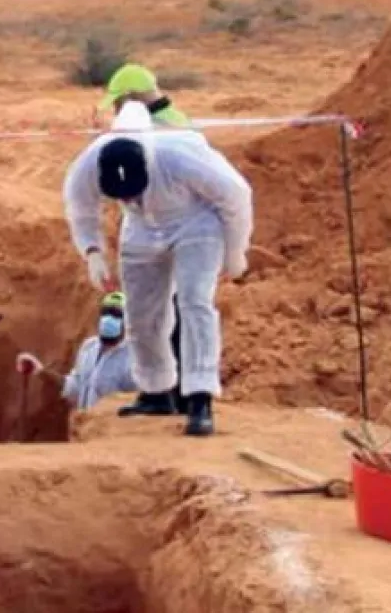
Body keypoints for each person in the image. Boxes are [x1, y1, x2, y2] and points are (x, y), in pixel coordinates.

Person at [62, 100, 253, 437]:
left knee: (194, 303)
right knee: (140, 312)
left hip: (195, 222)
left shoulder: (180, 155)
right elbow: (80, 208)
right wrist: (92, 251)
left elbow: (236, 196)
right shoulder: (89, 163)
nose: (130, 198)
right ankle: (155, 390)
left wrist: (236, 250)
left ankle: (199, 398)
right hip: (139, 227)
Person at [100, 63, 196, 415]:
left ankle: (169, 398)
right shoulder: (178, 120)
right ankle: (175, 396)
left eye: (117, 103)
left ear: (129, 99)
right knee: (171, 315)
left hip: (167, 231)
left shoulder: (157, 128)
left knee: (163, 317)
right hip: (176, 231)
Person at [61, 292, 137, 411]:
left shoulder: (132, 360)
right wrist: (40, 371)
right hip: (85, 424)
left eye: (116, 315)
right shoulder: (88, 347)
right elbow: (73, 387)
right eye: (106, 313)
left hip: (108, 427)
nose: (109, 319)